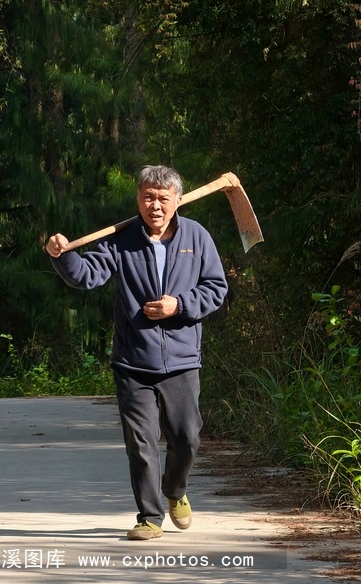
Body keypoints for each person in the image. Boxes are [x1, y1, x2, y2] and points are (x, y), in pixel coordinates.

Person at [46, 165, 228, 540]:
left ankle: (175, 489)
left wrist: (179, 305)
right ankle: (149, 516)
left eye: (162, 198)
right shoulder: (122, 239)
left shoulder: (197, 237)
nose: (155, 205)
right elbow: (85, 274)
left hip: (181, 360)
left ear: (178, 200)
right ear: (138, 200)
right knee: (141, 443)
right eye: (147, 197)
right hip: (133, 361)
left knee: (187, 437)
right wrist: (62, 255)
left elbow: (216, 288)